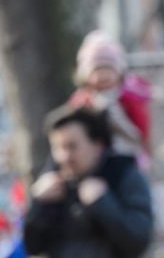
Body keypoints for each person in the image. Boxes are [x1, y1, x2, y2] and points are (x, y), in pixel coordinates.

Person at [23, 106, 153, 258]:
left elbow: (138, 241)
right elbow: (32, 246)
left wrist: (104, 204)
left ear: (98, 145)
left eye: (72, 147)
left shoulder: (123, 175)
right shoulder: (52, 185)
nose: (64, 157)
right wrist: (39, 204)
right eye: (57, 148)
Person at [68, 31, 151, 165]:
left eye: (108, 70)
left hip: (125, 155)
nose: (103, 76)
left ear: (119, 73)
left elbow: (141, 128)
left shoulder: (127, 98)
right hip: (93, 156)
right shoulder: (83, 100)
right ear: (86, 76)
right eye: (97, 70)